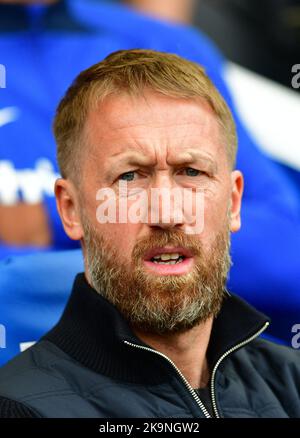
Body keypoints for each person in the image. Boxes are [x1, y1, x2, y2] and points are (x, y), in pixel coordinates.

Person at [0, 49, 299, 418]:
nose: (168, 213)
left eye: (191, 172)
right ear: (70, 209)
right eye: (130, 176)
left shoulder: (293, 384)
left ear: (233, 202)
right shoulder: (19, 408)